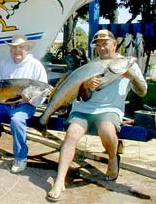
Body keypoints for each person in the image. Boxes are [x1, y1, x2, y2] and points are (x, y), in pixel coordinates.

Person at [47, 29, 147, 202]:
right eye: (98, 45)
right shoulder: (92, 65)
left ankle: (112, 159)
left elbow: (142, 92)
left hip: (110, 110)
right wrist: (85, 86)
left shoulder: (127, 64)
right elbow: (81, 96)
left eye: (105, 44)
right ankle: (59, 181)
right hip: (85, 109)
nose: (101, 49)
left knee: (106, 129)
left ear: (115, 44)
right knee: (71, 135)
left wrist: (132, 78)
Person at [0, 35, 48, 173]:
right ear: (10, 50)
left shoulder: (36, 65)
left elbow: (43, 91)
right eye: (14, 47)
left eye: (20, 47)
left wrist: (30, 99)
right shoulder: (5, 63)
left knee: (17, 119)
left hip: (24, 105)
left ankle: (20, 157)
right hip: (3, 103)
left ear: (27, 48)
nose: (17, 50)